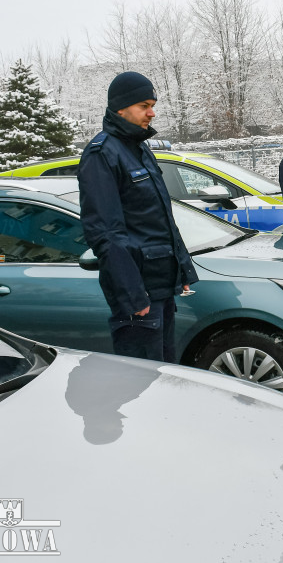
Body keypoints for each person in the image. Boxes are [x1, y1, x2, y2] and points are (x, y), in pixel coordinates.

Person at [78, 71, 198, 363]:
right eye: (145, 105)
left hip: (159, 286)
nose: (152, 113)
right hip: (138, 296)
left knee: (166, 373)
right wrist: (133, 296)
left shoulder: (139, 148)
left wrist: (181, 268)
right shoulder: (102, 154)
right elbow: (106, 234)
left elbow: (160, 217)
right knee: (143, 384)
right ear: (122, 107)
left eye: (153, 105)